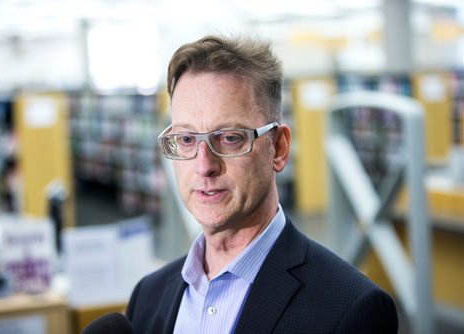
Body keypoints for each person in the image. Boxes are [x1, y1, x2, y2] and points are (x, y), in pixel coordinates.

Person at [125, 34, 398, 334]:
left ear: (278, 148)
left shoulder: (352, 309)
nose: (204, 166)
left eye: (230, 138)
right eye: (187, 139)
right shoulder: (147, 298)